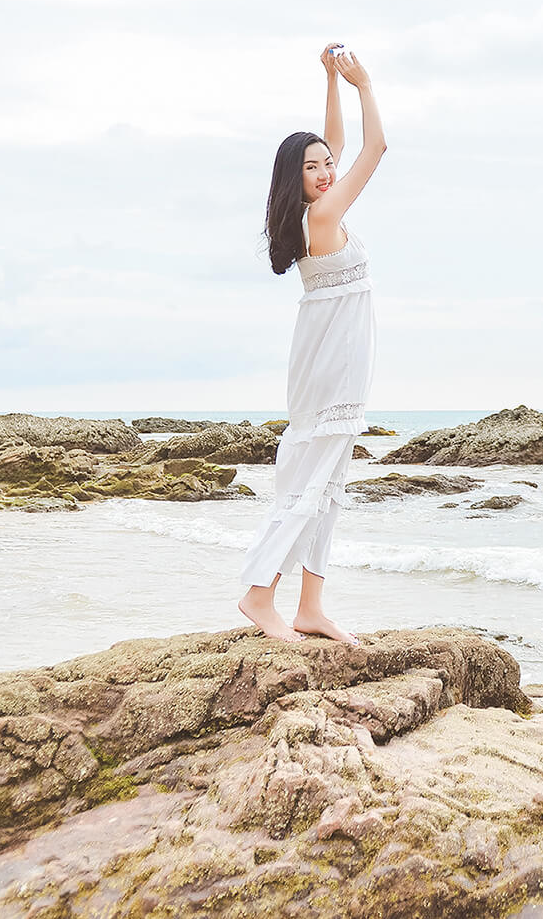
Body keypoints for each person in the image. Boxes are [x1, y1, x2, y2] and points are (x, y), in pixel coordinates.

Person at [238, 43, 386, 645]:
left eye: (328, 165)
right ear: (295, 180)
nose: (326, 171)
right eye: (314, 168)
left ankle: (311, 606)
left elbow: (338, 145)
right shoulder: (322, 218)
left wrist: (329, 79)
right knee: (311, 481)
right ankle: (258, 593)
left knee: (328, 483)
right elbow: (374, 149)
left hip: (330, 358)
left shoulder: (308, 211)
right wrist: (364, 84)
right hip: (334, 364)